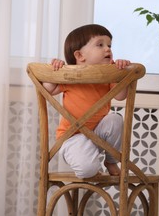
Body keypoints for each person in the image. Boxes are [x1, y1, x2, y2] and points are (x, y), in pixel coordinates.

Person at [43, 24, 131, 178]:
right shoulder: (69, 74)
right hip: (72, 136)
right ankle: (91, 162)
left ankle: (110, 160)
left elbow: (121, 96)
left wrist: (121, 73)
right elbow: (48, 89)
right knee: (87, 171)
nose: (108, 49)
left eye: (109, 45)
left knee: (115, 119)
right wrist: (54, 70)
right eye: (100, 45)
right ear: (79, 56)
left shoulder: (109, 73)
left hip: (97, 135)